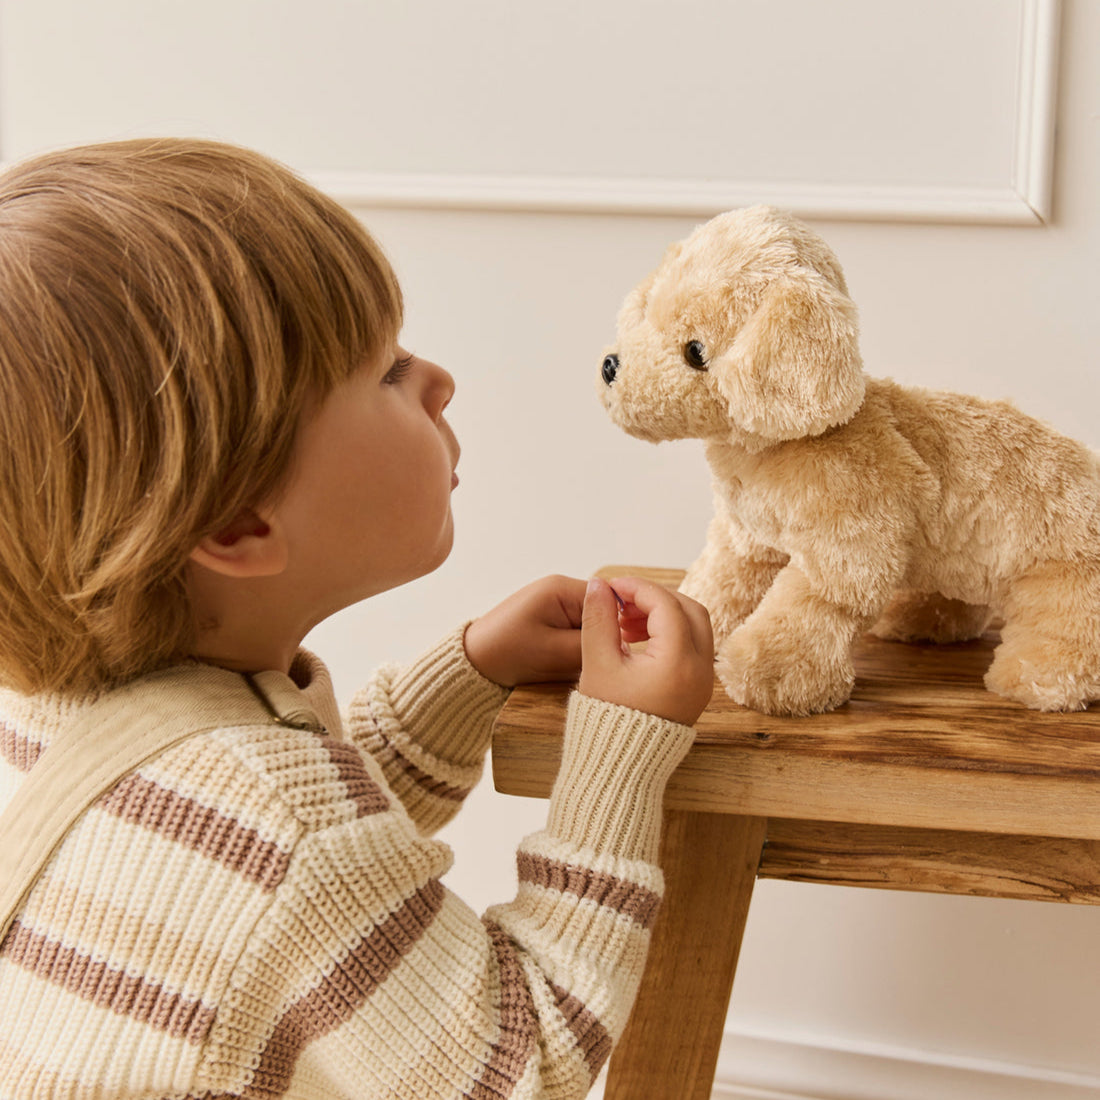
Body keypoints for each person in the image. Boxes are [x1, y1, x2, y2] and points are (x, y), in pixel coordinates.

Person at [0, 138, 714, 1099]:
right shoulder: (278, 819)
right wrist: (616, 756)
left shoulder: (46, 718)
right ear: (241, 521)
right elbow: (520, 1060)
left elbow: (267, 870)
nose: (439, 380)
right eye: (386, 372)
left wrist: (466, 679)